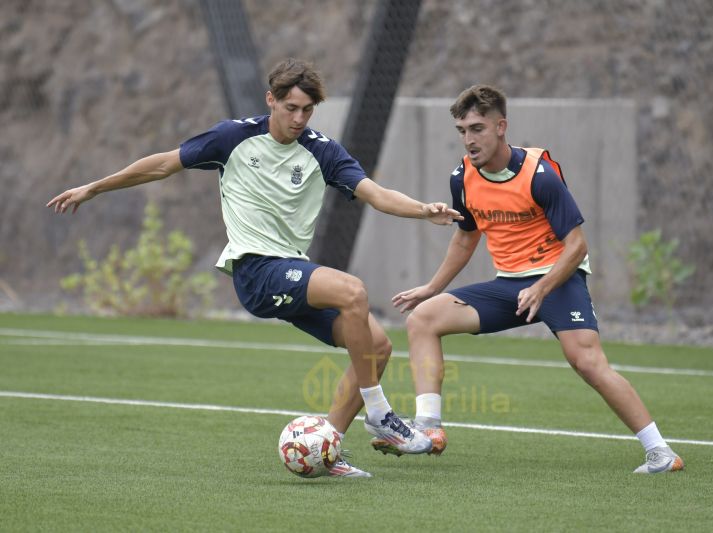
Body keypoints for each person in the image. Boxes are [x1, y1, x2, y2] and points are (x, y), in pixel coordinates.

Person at [47, 58, 464, 478]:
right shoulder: (233, 137)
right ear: (271, 100)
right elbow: (162, 164)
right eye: (291, 108)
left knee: (377, 347)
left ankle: (328, 448)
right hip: (257, 270)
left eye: (307, 110)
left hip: (292, 270)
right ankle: (378, 411)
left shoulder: (322, 151)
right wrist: (94, 187)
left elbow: (374, 193)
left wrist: (422, 210)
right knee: (352, 291)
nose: (299, 118)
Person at [380, 85, 684, 474]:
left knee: (588, 363)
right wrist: (431, 288)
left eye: (477, 128)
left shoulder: (539, 175)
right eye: (462, 130)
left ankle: (661, 453)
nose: (469, 139)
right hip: (510, 285)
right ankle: (428, 428)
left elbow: (577, 245)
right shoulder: (463, 177)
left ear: (501, 127)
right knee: (423, 318)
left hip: (558, 280)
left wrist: (542, 288)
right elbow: (466, 237)